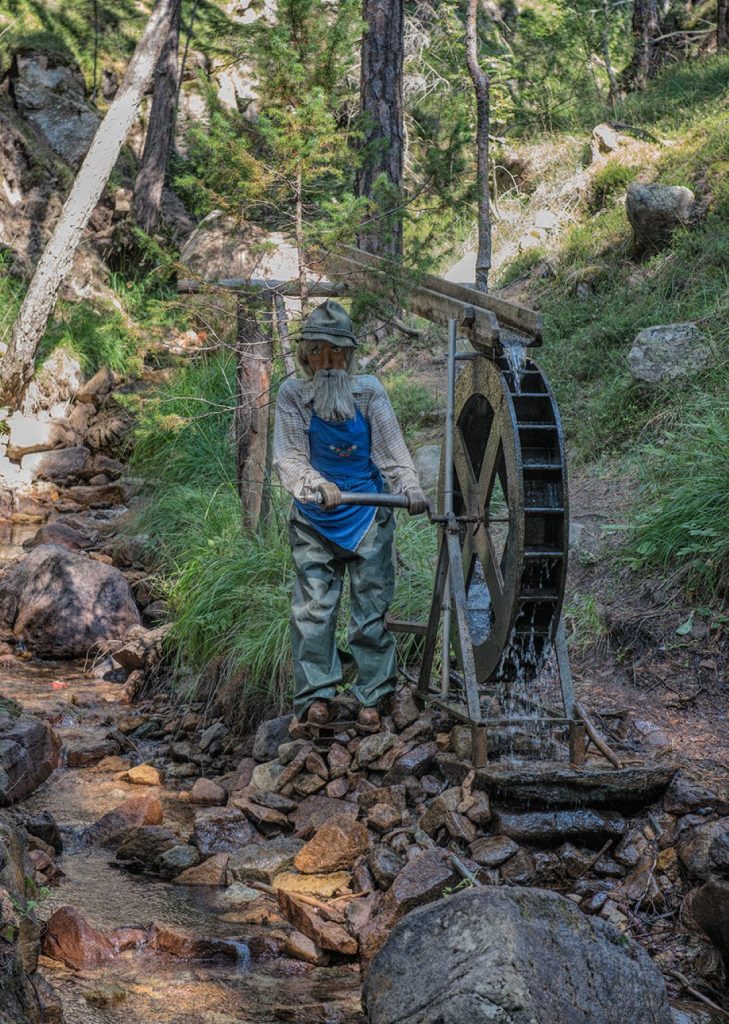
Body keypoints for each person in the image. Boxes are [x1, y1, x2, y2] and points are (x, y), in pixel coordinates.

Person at [273, 299, 428, 734]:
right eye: (317, 352)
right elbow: (288, 457)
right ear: (305, 357)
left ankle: (373, 695)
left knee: (371, 609)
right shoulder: (293, 397)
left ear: (349, 354)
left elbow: (392, 453)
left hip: (369, 517)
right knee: (312, 610)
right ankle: (315, 697)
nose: (327, 362)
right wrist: (314, 484)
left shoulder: (369, 392)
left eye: (335, 352)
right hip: (314, 521)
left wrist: (410, 488)